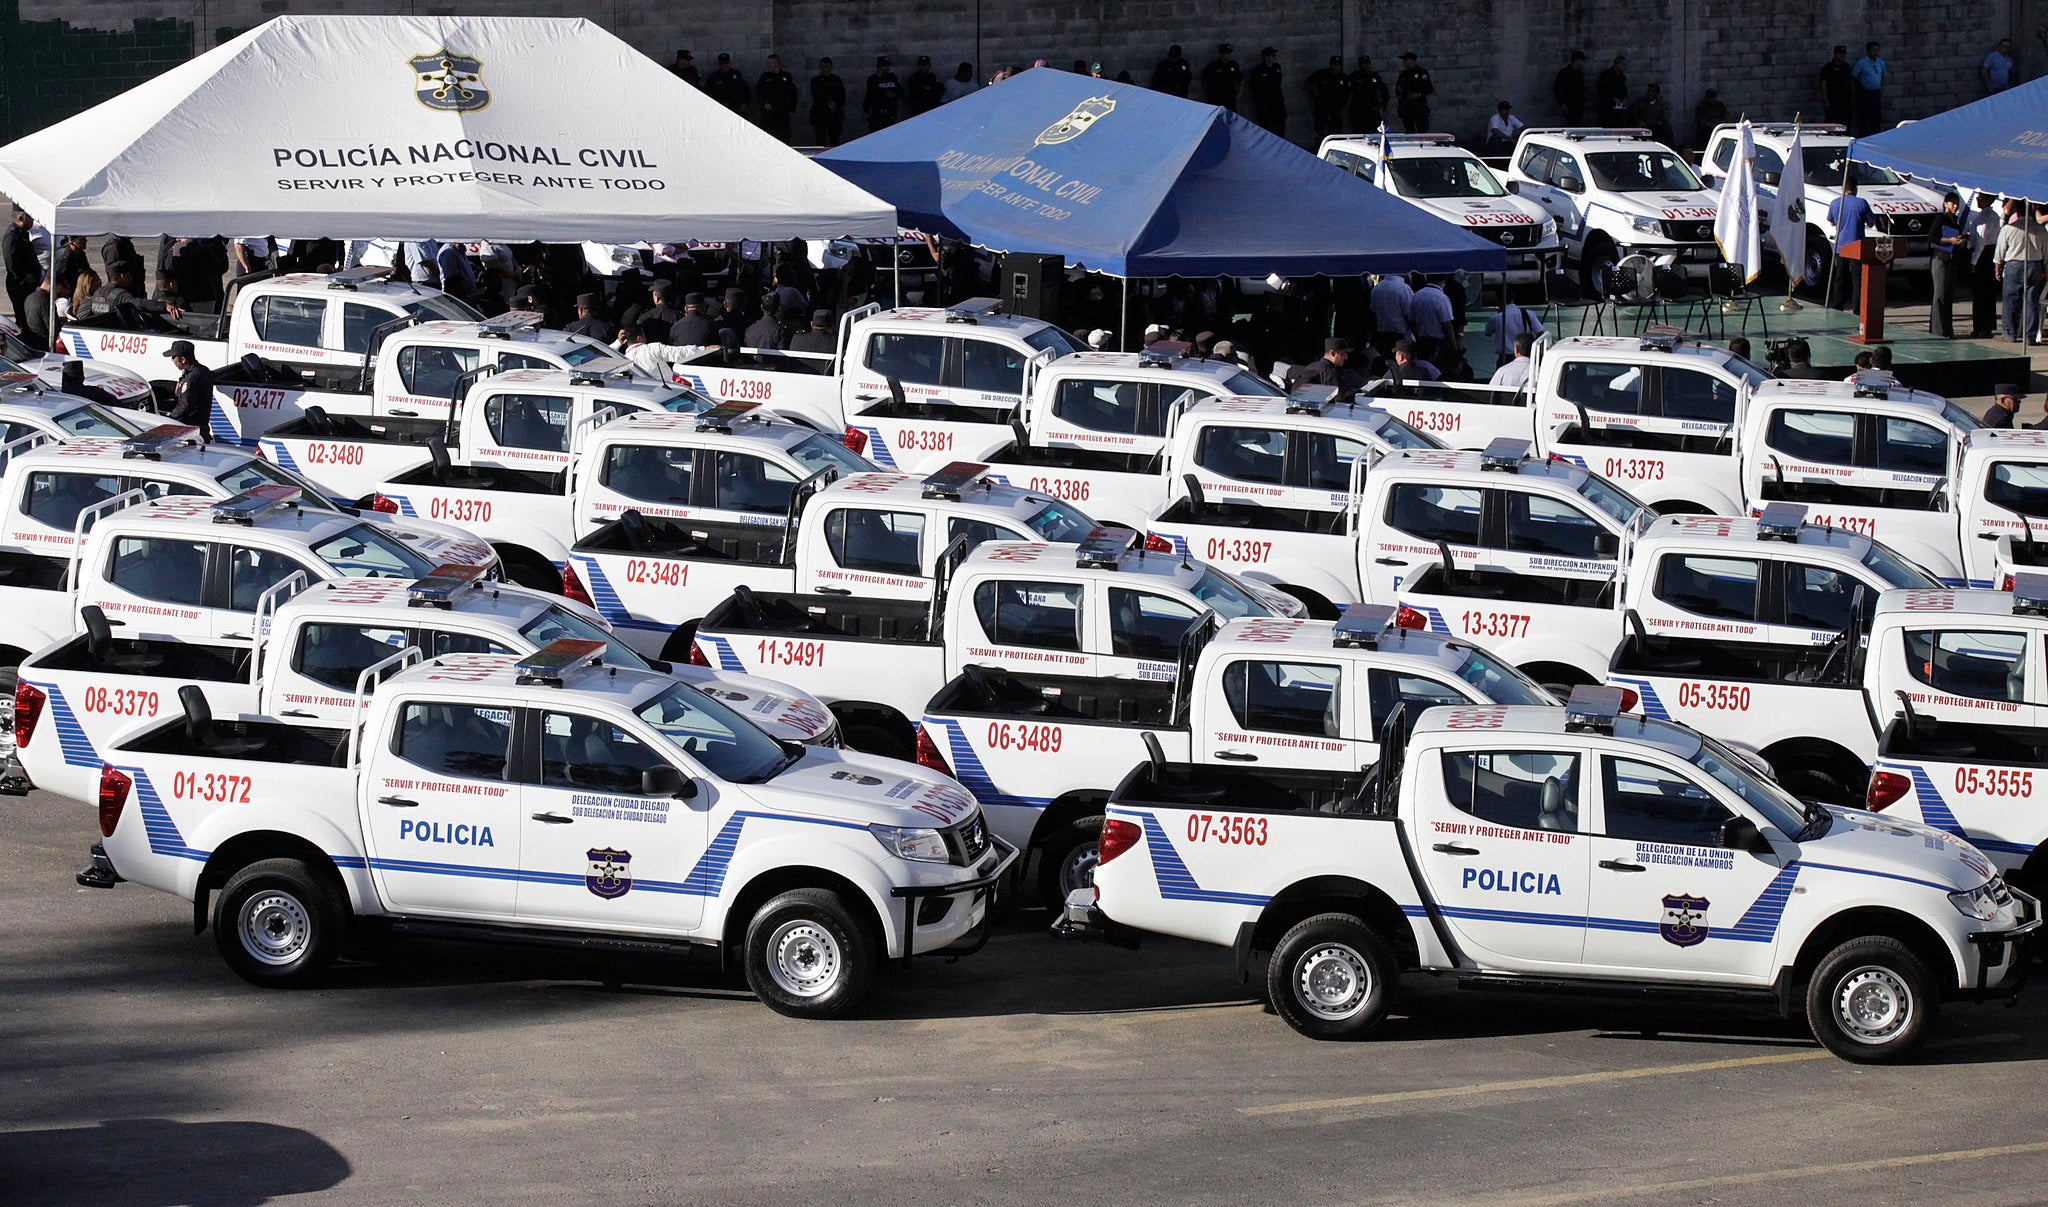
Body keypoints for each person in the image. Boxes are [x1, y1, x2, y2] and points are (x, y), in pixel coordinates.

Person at [1995, 199, 2042, 342]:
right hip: (2035, 264)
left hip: (2014, 264)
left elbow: (2000, 252)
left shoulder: (2009, 228)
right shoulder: (2039, 229)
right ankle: (2030, 335)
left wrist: (1997, 268)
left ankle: (2009, 332)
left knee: (2011, 299)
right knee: (2032, 301)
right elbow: (2046, 251)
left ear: (2017, 210)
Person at [1825, 179, 1875, 311]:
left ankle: (1837, 304)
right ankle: (1857, 307)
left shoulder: (1835, 203)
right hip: (1857, 245)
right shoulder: (1861, 203)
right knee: (1857, 277)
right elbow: (1871, 222)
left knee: (1840, 276)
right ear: (1855, 188)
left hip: (1841, 245)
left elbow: (1831, 222)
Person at [617, 323, 712, 381]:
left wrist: (617, 343)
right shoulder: (653, 348)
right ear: (639, 338)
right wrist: (704, 349)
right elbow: (679, 353)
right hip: (668, 393)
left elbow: (603, 360)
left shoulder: (623, 361)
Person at [1929, 191, 1966, 338]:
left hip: (1952, 258)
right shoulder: (1940, 218)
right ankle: (1938, 331)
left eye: (1957, 204)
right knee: (1940, 295)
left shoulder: (1955, 220)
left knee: (1949, 295)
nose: (1955, 206)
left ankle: (1947, 329)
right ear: (1946, 204)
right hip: (1941, 257)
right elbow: (1932, 237)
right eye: (1953, 203)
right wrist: (1949, 240)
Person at [163, 340, 215, 441]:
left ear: (182, 359)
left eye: (174, 357)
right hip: (201, 429)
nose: (172, 360)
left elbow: (185, 406)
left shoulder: (192, 377)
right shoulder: (204, 370)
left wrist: (169, 419)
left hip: (192, 433)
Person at [1968, 192, 2002, 338]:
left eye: (1980, 198)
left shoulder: (1984, 217)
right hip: (1990, 253)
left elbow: (1981, 241)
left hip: (1983, 254)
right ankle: (1987, 326)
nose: (1978, 201)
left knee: (1981, 292)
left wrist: (1973, 262)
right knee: (1988, 292)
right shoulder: (1993, 215)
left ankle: (1981, 327)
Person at [1406, 274, 1455, 364]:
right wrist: (1453, 347)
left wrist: (1418, 337)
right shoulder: (1442, 298)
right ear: (1444, 279)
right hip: (1438, 343)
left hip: (1421, 341)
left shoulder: (1416, 296)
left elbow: (1411, 322)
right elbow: (1447, 326)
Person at [2, 210, 39, 324]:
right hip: (20, 284)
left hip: (27, 283)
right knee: (23, 317)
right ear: (21, 219)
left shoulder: (22, 232)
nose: (32, 221)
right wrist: (27, 279)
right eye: (30, 219)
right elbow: (11, 262)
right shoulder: (12, 236)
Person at [1288, 337, 1359, 393]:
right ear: (1333, 354)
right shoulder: (1328, 369)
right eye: (1343, 354)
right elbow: (1338, 397)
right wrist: (1357, 392)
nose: (1346, 357)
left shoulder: (1313, 365)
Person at [1305, 55, 1350, 141]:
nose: (1336, 67)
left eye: (1338, 65)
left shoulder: (1343, 77)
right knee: (1320, 132)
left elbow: (1349, 94)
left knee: (1335, 133)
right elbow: (1308, 84)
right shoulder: (1322, 74)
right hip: (1322, 108)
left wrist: (1345, 108)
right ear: (1330, 64)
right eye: (1334, 64)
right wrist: (1311, 102)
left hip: (1337, 110)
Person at [1483, 298, 1543, 362]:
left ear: (1498, 300)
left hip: (1505, 358)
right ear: (1513, 298)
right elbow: (1540, 332)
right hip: (1525, 353)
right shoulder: (1528, 313)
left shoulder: (1496, 317)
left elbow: (1487, 332)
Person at [1369, 272, 1414, 355]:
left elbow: (1373, 313)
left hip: (1381, 334)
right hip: (1400, 335)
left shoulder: (1377, 288)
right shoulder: (1404, 288)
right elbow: (1409, 315)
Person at [756, 55, 799, 141]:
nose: (769, 65)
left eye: (771, 63)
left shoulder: (786, 76)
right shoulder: (764, 77)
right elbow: (759, 93)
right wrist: (764, 103)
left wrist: (792, 110)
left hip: (783, 112)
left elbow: (793, 94)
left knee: (784, 136)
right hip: (769, 113)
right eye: (768, 63)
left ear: (777, 64)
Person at [1247, 48, 1286, 136]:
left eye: (1273, 56)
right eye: (1271, 56)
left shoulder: (1276, 67)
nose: (1273, 58)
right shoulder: (1259, 70)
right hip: (1265, 102)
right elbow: (1253, 85)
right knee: (1265, 125)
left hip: (1277, 99)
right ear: (1266, 57)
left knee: (1279, 123)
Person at [1851, 41, 1887, 136]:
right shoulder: (1862, 63)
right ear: (1868, 51)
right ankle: (1865, 135)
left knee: (1876, 116)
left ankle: (1875, 135)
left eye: (1877, 50)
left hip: (1876, 92)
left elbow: (1883, 75)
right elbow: (1854, 76)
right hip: (1865, 93)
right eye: (1874, 50)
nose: (1876, 52)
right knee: (1865, 116)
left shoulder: (1880, 62)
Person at [810, 58, 847, 145]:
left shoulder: (836, 80)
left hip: (834, 114)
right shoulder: (816, 80)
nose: (824, 69)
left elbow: (842, 95)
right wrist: (828, 102)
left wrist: (836, 104)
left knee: (834, 139)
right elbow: (817, 94)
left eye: (826, 67)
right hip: (820, 114)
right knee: (820, 139)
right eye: (822, 66)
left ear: (831, 67)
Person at [1348, 55, 1389, 134]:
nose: (1366, 66)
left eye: (1367, 63)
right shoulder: (1354, 77)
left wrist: (1383, 105)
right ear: (1360, 65)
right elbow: (1349, 93)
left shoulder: (1374, 76)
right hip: (1359, 111)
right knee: (1360, 132)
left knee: (1376, 132)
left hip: (1373, 110)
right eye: (1364, 64)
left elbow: (1384, 91)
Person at [1394, 52, 1432, 134]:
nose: (1404, 63)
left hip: (1419, 105)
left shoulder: (1422, 73)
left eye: (1406, 61)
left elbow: (1429, 88)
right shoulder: (1403, 75)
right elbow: (1398, 90)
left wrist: (1418, 94)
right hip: (1407, 107)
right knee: (1409, 130)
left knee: (1422, 129)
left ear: (1412, 61)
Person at [1819, 45, 1855, 127]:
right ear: (1835, 54)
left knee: (1846, 123)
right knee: (1832, 123)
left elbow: (1851, 81)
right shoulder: (1828, 68)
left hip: (1846, 100)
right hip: (1833, 101)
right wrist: (1826, 101)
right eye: (1840, 53)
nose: (1842, 56)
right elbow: (1823, 85)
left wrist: (1853, 95)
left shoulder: (1846, 66)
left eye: (1843, 54)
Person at [864, 56, 903, 131]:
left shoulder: (892, 77)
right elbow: (872, 93)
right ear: (879, 66)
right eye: (884, 66)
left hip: (890, 111)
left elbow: (901, 91)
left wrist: (893, 94)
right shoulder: (873, 79)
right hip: (877, 114)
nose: (887, 68)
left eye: (887, 65)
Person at [1201, 44, 1242, 110]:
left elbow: (1240, 80)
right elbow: (1205, 81)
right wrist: (1210, 92)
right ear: (1221, 54)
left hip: (1230, 98)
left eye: (1230, 53)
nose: (1229, 55)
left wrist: (1239, 94)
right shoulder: (1213, 66)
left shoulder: (1234, 65)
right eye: (1227, 53)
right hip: (1217, 98)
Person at [1551, 50, 1587, 124]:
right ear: (1576, 60)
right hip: (1569, 105)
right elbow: (1556, 88)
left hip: (1578, 106)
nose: (1582, 63)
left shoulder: (1579, 74)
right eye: (1581, 60)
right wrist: (1562, 103)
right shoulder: (1565, 73)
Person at [19, 279, 52, 351]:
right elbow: (52, 327)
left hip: (31, 339)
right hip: (43, 343)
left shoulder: (30, 297)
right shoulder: (45, 301)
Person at [1596, 54, 1630, 122]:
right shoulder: (1606, 74)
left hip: (1618, 109)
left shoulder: (1622, 77)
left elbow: (1623, 90)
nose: (1625, 67)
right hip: (1607, 108)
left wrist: (1624, 98)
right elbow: (1603, 90)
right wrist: (1613, 98)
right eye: (1623, 64)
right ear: (1617, 64)